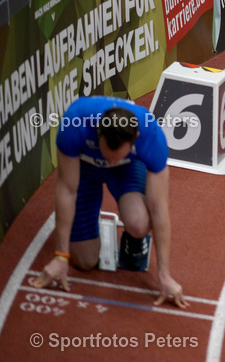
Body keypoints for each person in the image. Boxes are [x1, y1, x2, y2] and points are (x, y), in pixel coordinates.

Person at [31, 96, 189, 308]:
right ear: (98, 133)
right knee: (85, 261)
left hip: (126, 169)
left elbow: (159, 208)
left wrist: (165, 275)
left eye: (116, 156)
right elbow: (67, 190)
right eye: (108, 155)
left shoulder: (151, 134)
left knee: (139, 223)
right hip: (85, 170)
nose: (109, 161)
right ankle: (88, 218)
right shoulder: (74, 123)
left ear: (136, 138)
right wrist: (60, 256)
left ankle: (133, 238)